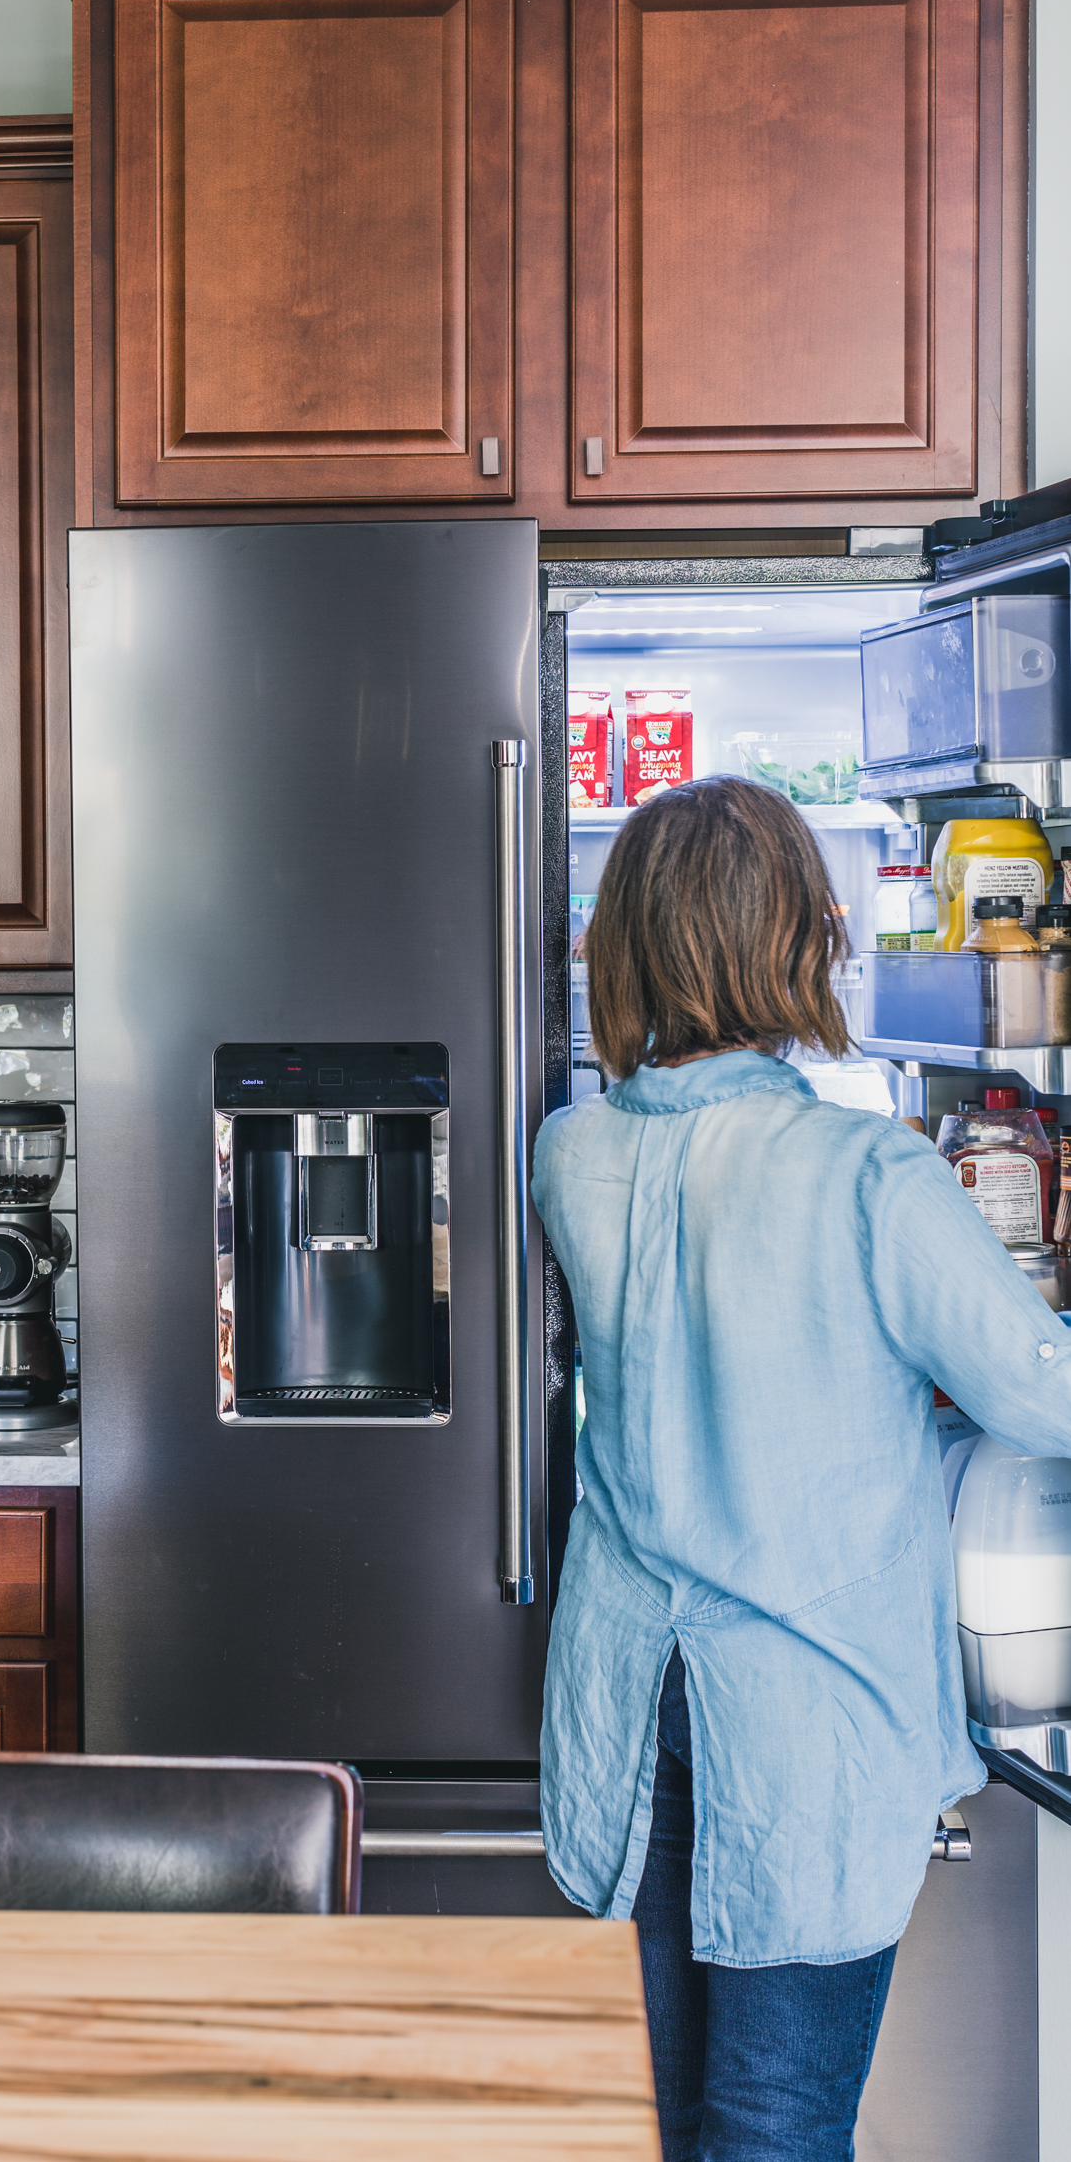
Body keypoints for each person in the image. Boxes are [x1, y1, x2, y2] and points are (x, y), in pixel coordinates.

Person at [532, 776, 1071, 2162]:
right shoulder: (868, 1173)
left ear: (633, 947)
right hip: (801, 1720)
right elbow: (1040, 1389)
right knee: (777, 2127)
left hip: (630, 1698)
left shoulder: (571, 1153)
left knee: (663, 2119)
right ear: (797, 943)